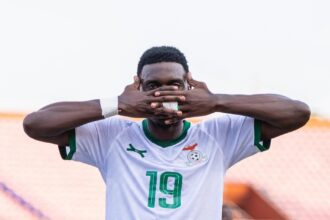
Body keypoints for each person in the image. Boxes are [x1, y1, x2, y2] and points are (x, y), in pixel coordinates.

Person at [23, 46, 310, 220]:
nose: (163, 93)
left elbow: (297, 112)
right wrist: (117, 105)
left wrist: (216, 101)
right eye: (152, 85)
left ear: (189, 86)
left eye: (174, 84)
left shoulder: (219, 136)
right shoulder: (111, 136)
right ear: (138, 87)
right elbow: (36, 123)